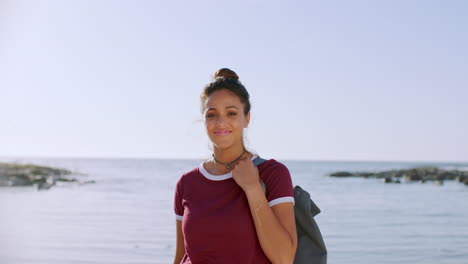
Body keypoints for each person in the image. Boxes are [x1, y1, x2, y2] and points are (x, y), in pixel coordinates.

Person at [173, 68, 297, 264]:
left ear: (246, 118)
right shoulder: (187, 182)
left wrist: (253, 188)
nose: (221, 122)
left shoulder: (272, 174)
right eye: (212, 115)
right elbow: (181, 256)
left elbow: (284, 258)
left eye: (231, 113)